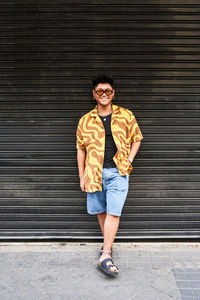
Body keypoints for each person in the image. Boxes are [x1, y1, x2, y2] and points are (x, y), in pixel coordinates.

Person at [76, 74, 143, 276]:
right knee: (101, 211)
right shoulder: (85, 120)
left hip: (118, 171)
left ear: (113, 93)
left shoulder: (126, 115)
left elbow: (137, 138)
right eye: (99, 91)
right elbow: (80, 149)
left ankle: (105, 254)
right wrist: (81, 176)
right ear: (94, 94)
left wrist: (129, 160)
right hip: (93, 172)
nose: (104, 94)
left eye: (107, 91)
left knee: (113, 211)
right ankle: (109, 245)